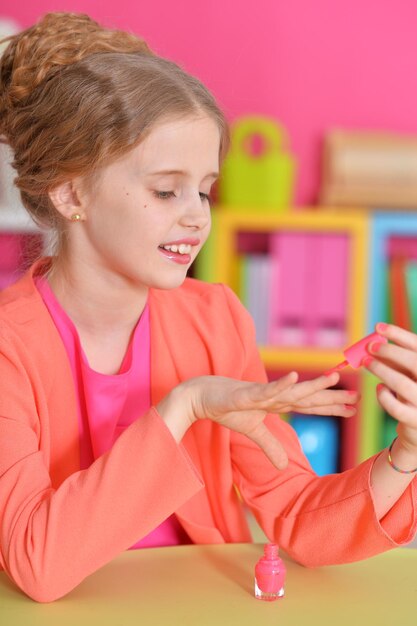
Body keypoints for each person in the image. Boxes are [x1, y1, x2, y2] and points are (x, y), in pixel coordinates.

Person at [0, 12, 416, 604]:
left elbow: (298, 516)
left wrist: (407, 456)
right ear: (71, 193)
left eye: (205, 190)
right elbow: (37, 564)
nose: (197, 216)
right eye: (166, 190)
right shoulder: (8, 347)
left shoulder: (213, 317)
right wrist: (185, 407)